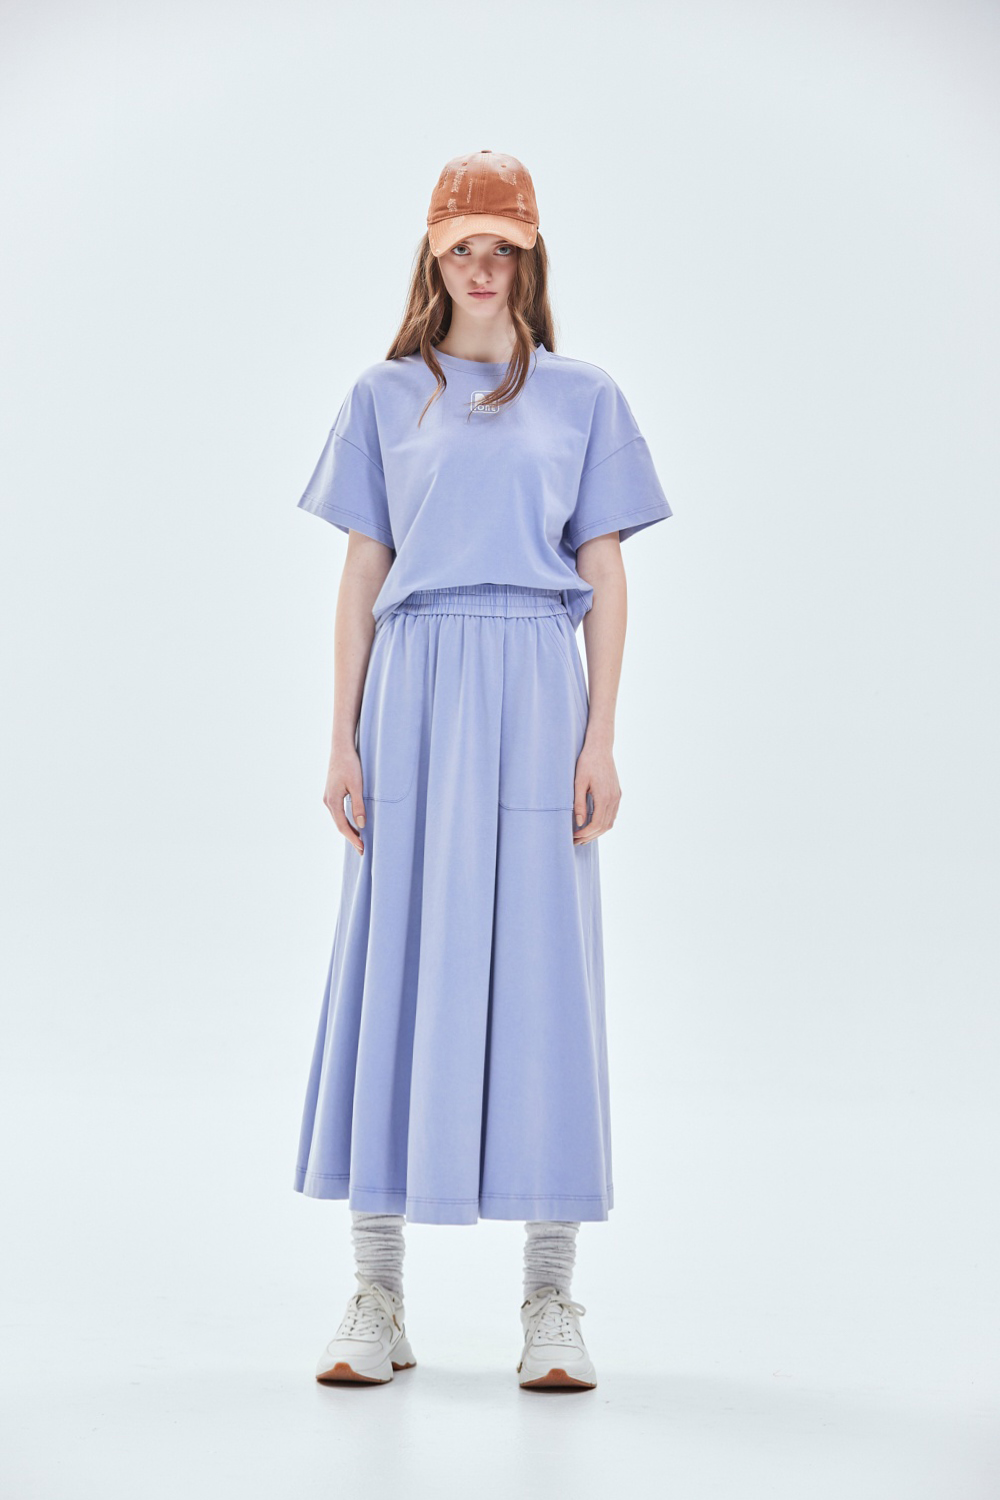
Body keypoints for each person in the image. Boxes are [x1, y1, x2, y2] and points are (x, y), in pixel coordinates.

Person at [291, 149, 672, 1391]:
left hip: (534, 685)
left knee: (546, 972)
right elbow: (363, 570)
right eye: (464, 245)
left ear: (529, 255)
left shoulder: (582, 396)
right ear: (433, 252)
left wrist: (600, 736)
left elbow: (604, 572)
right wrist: (341, 736)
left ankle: (550, 1300)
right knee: (392, 957)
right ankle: (376, 1294)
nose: (482, 266)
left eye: (502, 246)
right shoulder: (382, 395)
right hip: (412, 687)